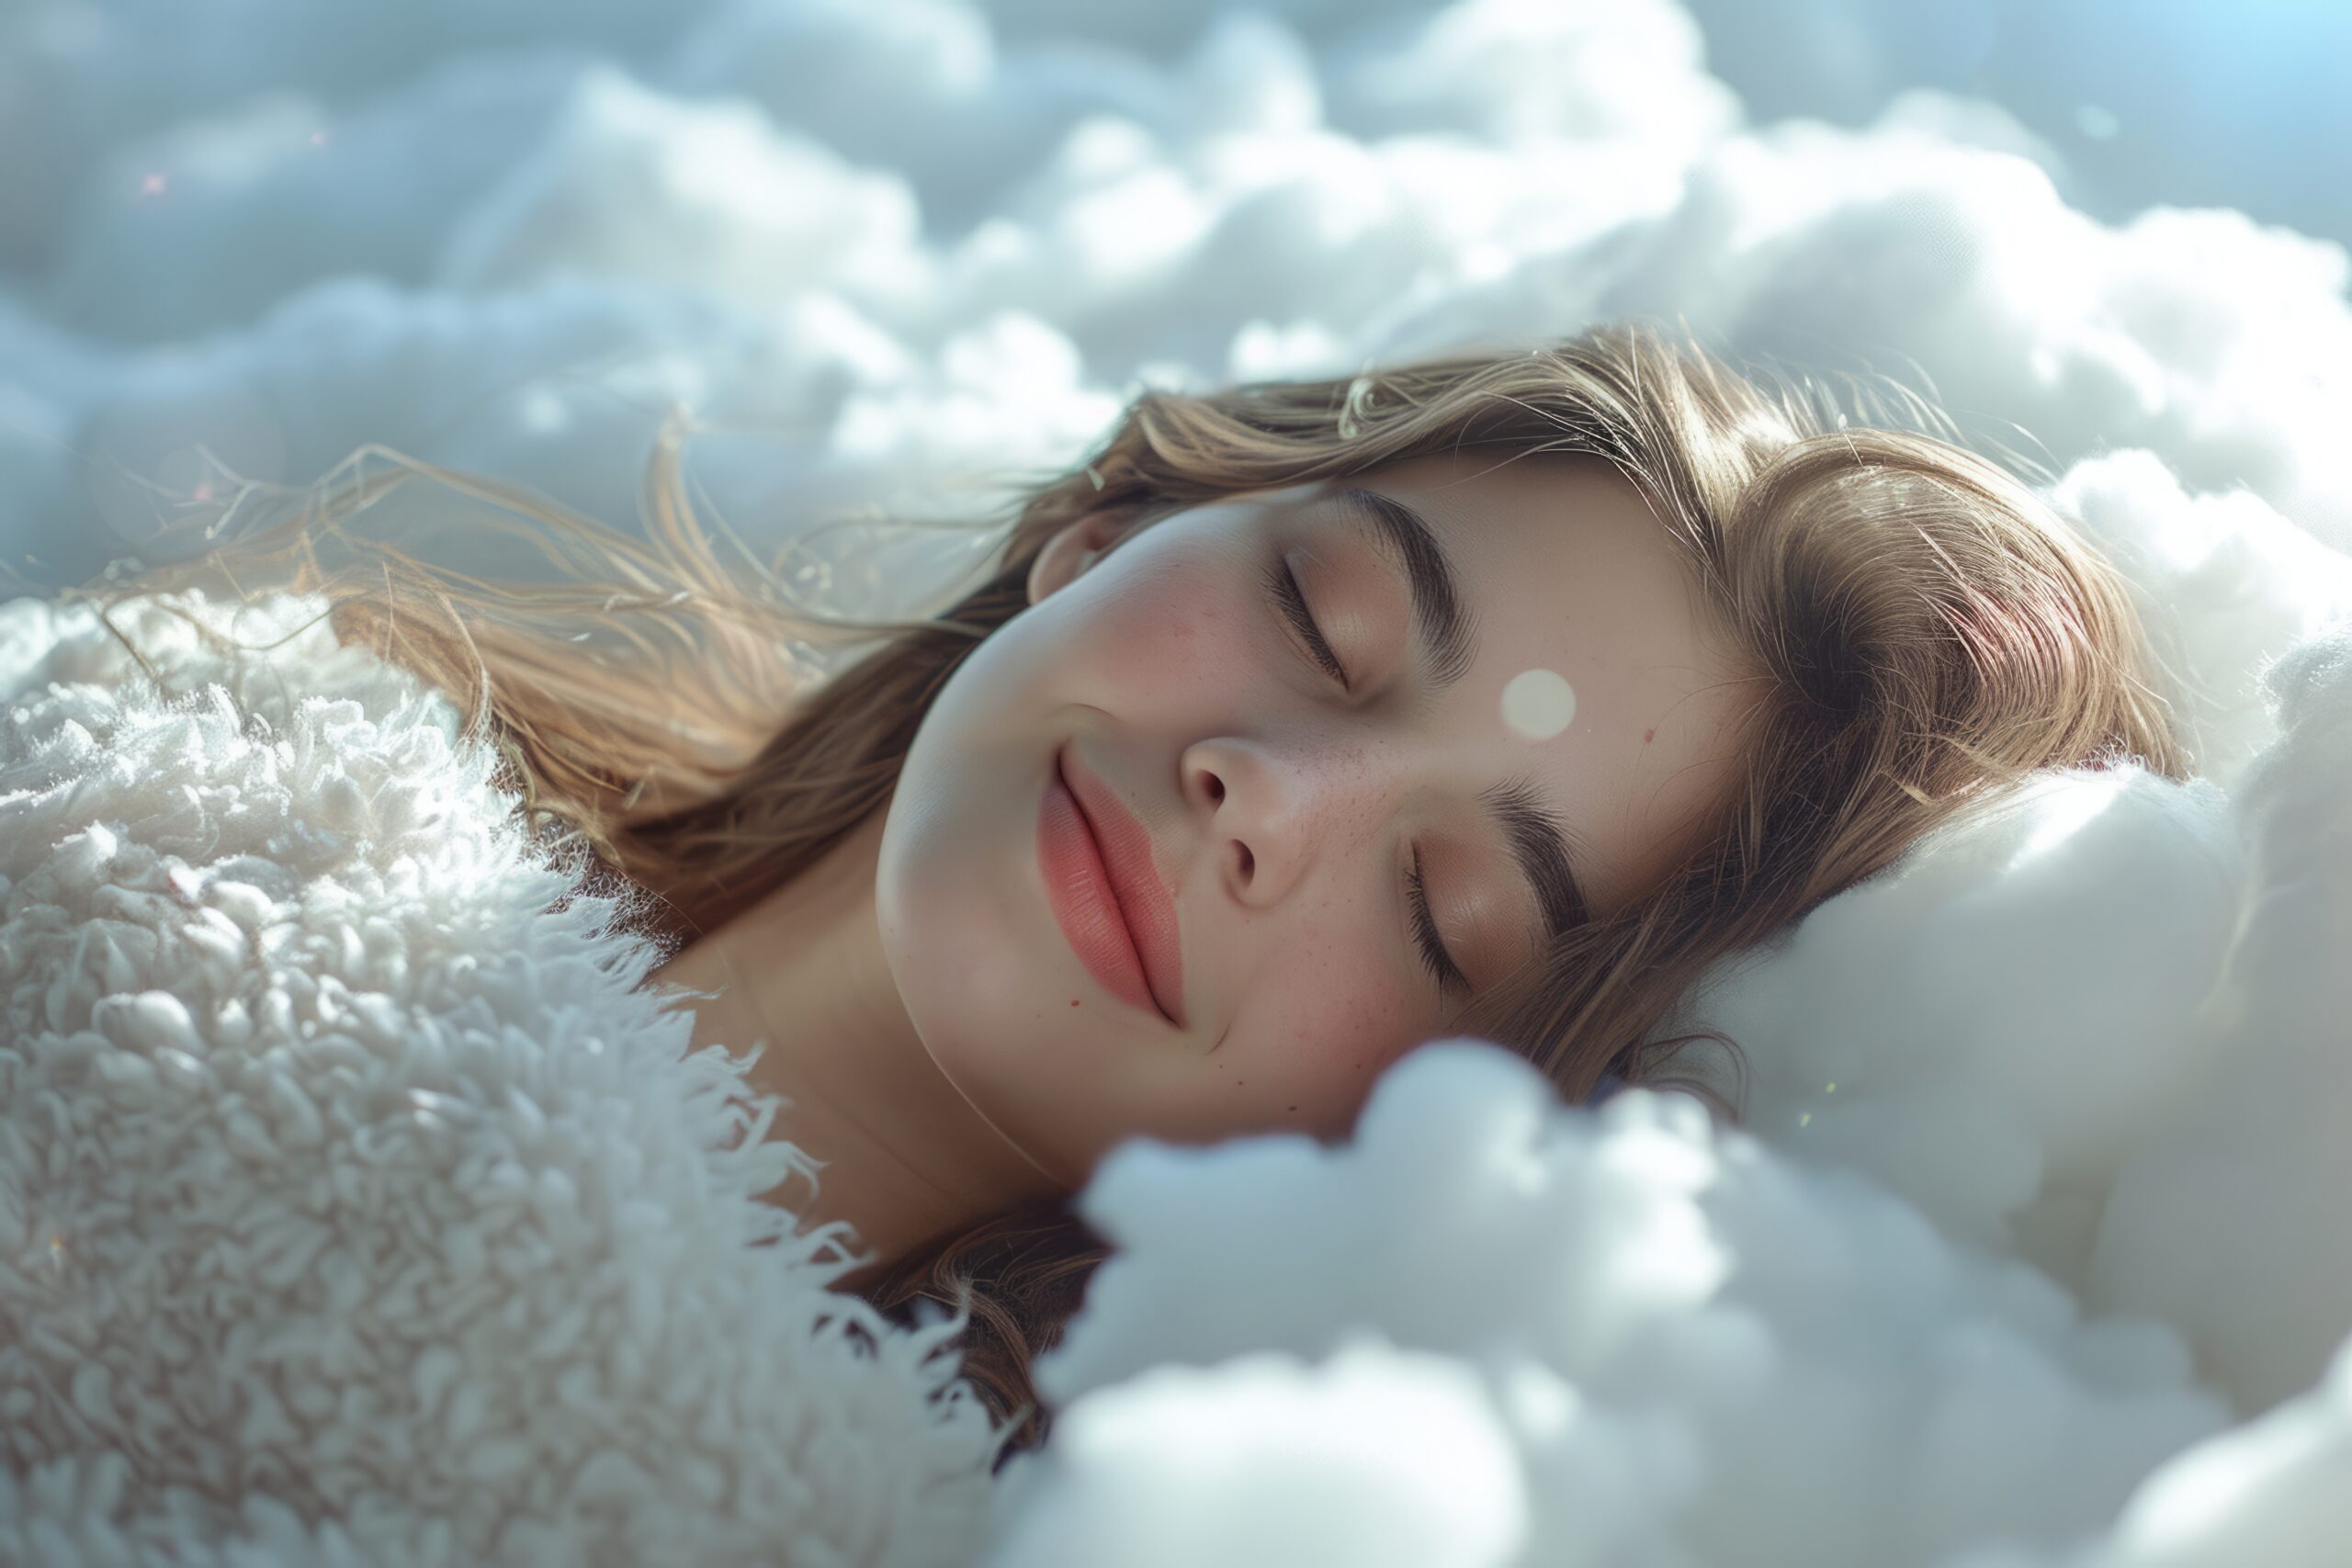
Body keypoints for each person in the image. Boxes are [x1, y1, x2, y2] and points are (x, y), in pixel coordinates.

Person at [74, 320, 2191, 1467]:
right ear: (1109, 527)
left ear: (1448, 1139)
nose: (1263, 789)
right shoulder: (180, 752)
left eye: (1444, 913)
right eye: (1322, 610)